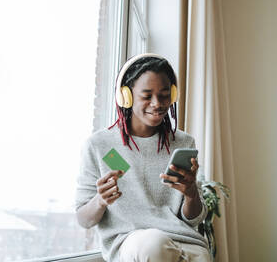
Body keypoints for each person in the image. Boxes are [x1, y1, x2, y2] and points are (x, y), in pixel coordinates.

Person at [76, 53, 210, 262]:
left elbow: (192, 219)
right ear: (126, 97)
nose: (157, 103)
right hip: (132, 241)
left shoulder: (184, 143)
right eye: (147, 96)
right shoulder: (99, 145)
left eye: (164, 95)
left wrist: (191, 194)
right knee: (154, 245)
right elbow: (84, 219)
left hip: (182, 240)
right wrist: (100, 201)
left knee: (200, 255)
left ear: (173, 94)